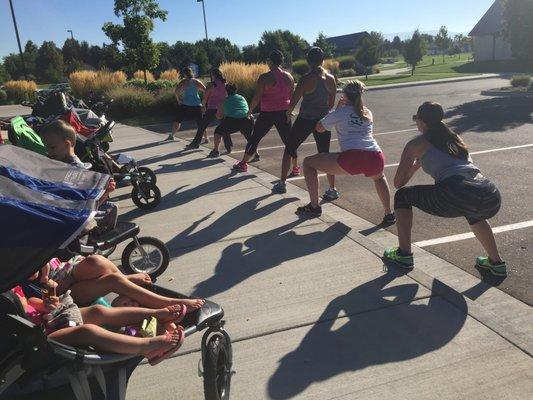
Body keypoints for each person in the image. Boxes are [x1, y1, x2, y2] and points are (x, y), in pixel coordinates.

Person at [383, 102, 506, 276]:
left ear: (422, 122)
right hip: (489, 193)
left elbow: (398, 182)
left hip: (458, 191)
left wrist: (415, 167)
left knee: (402, 195)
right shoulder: (454, 137)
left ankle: (404, 255)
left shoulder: (416, 144)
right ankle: (496, 263)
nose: (416, 123)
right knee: (472, 210)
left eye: (415, 119)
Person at [296, 80, 394, 223]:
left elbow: (319, 128)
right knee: (379, 178)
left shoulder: (340, 112)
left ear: (345, 96)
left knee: (308, 163)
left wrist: (336, 110)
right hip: (375, 155)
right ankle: (388, 214)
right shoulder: (367, 113)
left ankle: (314, 206)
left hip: (352, 158)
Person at [13, 284, 186, 365]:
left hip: (49, 318)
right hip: (35, 338)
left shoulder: (11, 279)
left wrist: (45, 304)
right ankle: (146, 347)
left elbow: (29, 299)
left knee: (98, 311)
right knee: (87, 332)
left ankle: (157, 314)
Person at [272, 47, 337, 196]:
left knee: (289, 149)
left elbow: (294, 101)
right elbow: (331, 103)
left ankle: (282, 183)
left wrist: (288, 113)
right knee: (325, 155)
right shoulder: (331, 79)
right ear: (322, 60)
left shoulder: (306, 79)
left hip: (305, 120)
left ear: (308, 61)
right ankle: (332, 189)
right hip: (322, 120)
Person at [35, 255, 205, 310]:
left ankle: (126, 282)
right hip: (64, 291)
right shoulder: (22, 269)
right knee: (111, 277)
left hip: (70, 269)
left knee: (96, 261)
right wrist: (51, 284)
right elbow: (45, 295)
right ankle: (167, 303)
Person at [232, 50, 295, 173]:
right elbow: (291, 97)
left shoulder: (265, 77)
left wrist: (249, 111)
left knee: (254, 138)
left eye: (268, 60)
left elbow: (257, 97)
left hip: (268, 113)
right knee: (289, 141)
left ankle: (243, 163)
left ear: (270, 61)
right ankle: (295, 167)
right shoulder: (290, 77)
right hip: (284, 112)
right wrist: (290, 110)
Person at [207, 83, 256, 158]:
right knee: (250, 137)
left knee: (218, 132)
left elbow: (218, 116)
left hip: (231, 121)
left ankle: (216, 151)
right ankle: (256, 154)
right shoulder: (242, 98)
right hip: (247, 120)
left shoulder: (224, 101)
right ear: (236, 90)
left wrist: (222, 115)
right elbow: (246, 109)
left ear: (226, 91)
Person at [190, 68, 227, 147]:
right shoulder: (225, 84)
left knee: (202, 126)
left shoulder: (211, 85)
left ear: (213, 75)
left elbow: (205, 98)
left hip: (212, 108)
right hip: (223, 108)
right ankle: (228, 146)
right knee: (224, 127)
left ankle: (195, 143)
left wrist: (202, 106)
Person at [168, 67, 206, 143]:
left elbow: (176, 91)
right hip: (196, 104)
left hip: (185, 104)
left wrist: (179, 100)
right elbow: (206, 90)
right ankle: (206, 138)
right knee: (200, 123)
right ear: (191, 73)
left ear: (185, 74)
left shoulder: (183, 82)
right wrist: (203, 102)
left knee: (178, 120)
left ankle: (172, 135)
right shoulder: (197, 81)